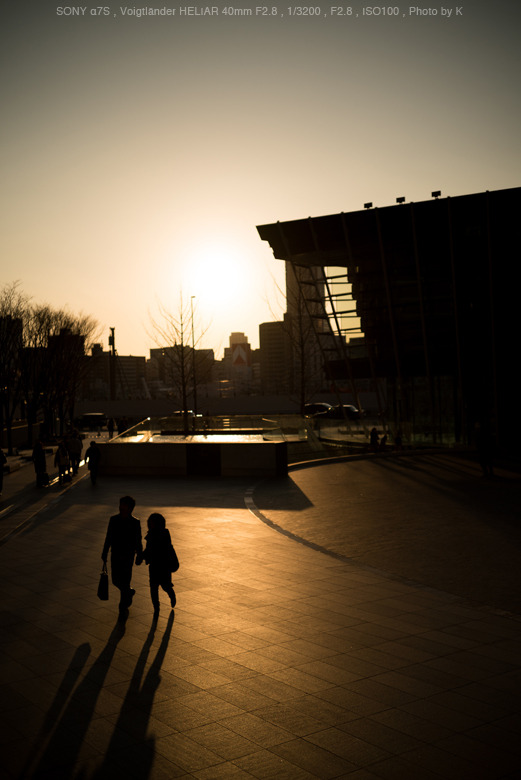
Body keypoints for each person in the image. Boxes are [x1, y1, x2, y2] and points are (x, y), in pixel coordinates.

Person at [101, 496, 143, 614]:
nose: (121, 508)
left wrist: (139, 554)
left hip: (128, 556)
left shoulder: (135, 522)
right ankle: (128, 592)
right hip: (115, 554)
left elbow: (137, 540)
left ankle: (123, 604)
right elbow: (108, 537)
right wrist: (104, 552)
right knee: (115, 580)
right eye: (120, 505)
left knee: (125, 580)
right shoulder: (113, 520)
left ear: (130, 508)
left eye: (124, 506)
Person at [143, 513, 178, 614]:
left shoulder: (164, 534)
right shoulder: (150, 535)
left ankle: (171, 595)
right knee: (153, 588)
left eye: (153, 523)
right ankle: (156, 607)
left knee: (165, 585)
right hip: (154, 566)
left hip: (164, 566)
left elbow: (162, 548)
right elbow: (147, 549)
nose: (151, 525)